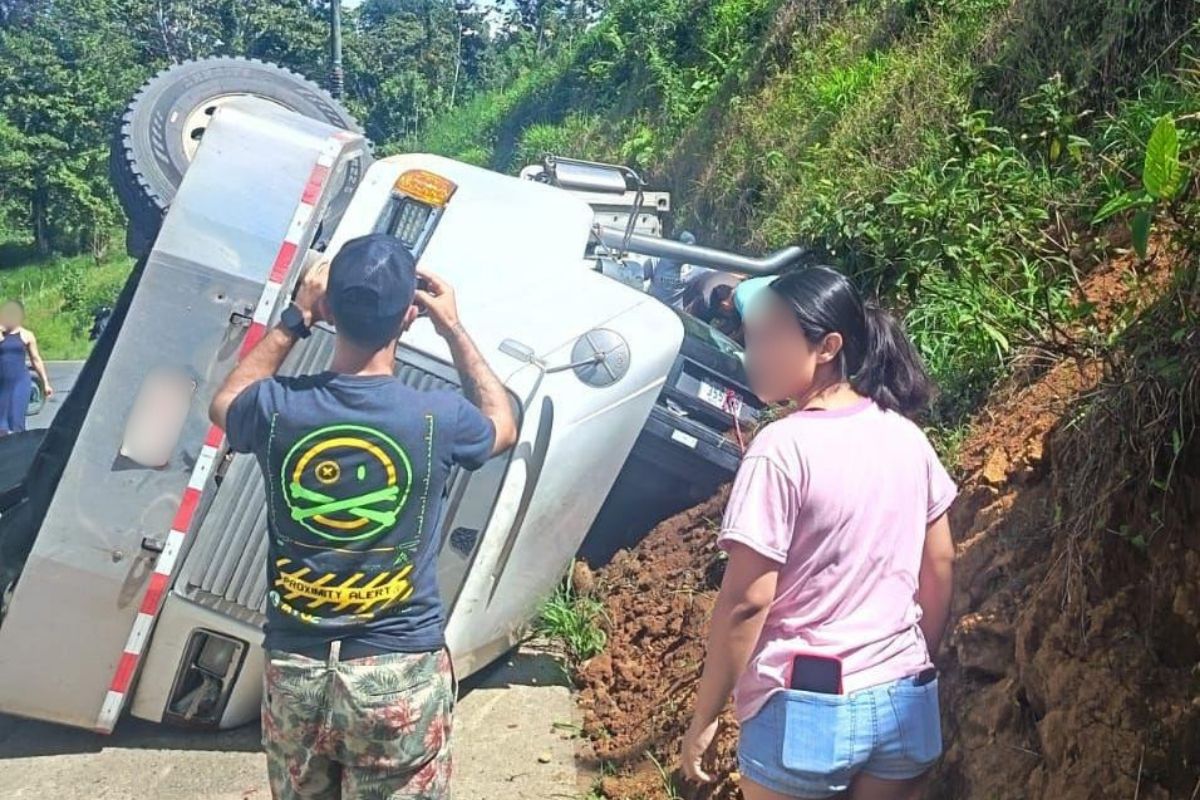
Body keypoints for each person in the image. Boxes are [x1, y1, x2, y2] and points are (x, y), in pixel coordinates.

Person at [209, 234, 518, 800]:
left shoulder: (278, 407)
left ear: (330, 310)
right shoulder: (438, 416)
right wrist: (452, 328)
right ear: (408, 316)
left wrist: (297, 316)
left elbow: (225, 403)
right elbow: (502, 421)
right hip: (396, 670)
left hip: (297, 670)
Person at [680, 266, 957, 800]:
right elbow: (940, 564)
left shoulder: (781, 449)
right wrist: (918, 656)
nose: (750, 352)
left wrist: (707, 714)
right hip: (905, 701)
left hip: (807, 712)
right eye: (749, 337)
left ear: (828, 345)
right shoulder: (906, 437)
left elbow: (746, 602)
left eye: (767, 338)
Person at [0, 300, 52, 434]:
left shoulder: (27, 335)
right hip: (2, 383)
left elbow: (36, 360)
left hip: (20, 381)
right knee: (2, 425)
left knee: (17, 422)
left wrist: (45, 383)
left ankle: (17, 450)